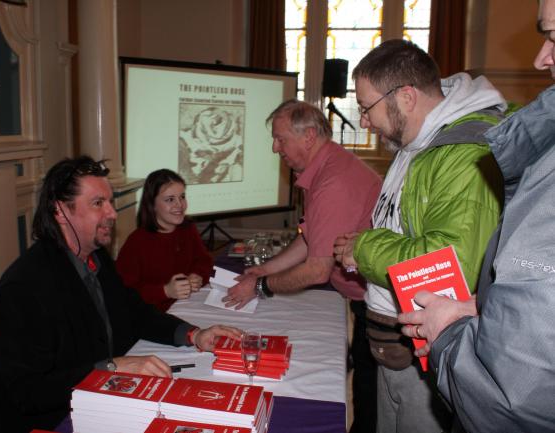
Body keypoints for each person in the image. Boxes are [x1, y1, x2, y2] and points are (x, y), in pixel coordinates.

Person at [0, 156, 241, 433]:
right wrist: (110, 368)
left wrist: (194, 335)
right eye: (98, 203)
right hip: (60, 420)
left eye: (110, 202)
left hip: (108, 400)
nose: (112, 213)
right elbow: (27, 392)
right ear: (60, 211)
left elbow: (134, 311)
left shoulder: (97, 259)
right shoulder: (25, 287)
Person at [332, 39, 506, 433]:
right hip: (397, 342)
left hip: (426, 349)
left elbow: (447, 263)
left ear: (406, 96)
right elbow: (404, 226)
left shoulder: (463, 151)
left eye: (366, 107)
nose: (363, 120)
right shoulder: (417, 142)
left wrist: (364, 246)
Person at [397, 1, 555, 432]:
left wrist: (448, 330)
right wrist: (485, 308)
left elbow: (513, 392)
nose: (541, 57)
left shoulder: (457, 150)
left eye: (553, 36)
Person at [223, 100, 383, 433]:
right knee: (365, 385)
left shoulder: (332, 181)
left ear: (309, 136)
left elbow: (317, 270)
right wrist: (263, 270)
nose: (274, 147)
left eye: (280, 138)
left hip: (378, 302)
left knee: (370, 397)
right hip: (365, 297)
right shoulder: (326, 166)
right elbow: (311, 238)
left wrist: (262, 287)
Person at [115, 169, 213, 312]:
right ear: (152, 204)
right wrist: (165, 291)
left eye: (182, 197)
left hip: (185, 305)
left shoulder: (187, 228)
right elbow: (123, 292)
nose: (179, 205)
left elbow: (204, 260)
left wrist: (197, 275)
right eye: (170, 199)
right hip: (153, 314)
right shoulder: (137, 242)